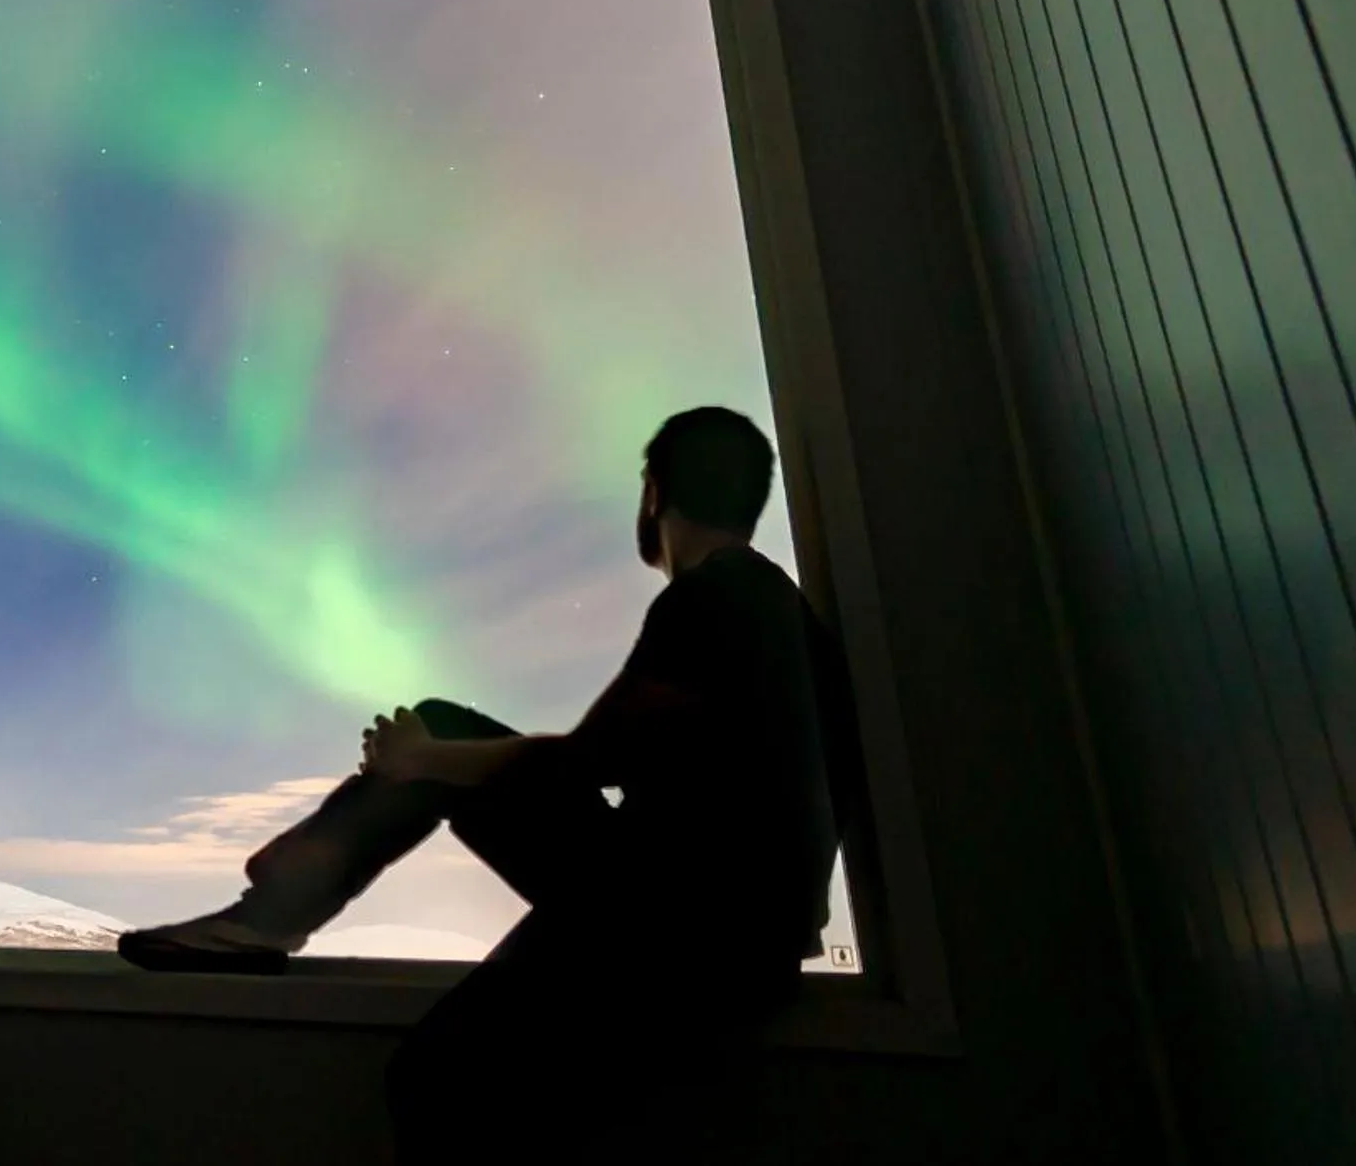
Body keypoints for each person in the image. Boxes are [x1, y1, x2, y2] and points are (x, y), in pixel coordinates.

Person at [117, 406, 858, 1159]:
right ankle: (271, 910)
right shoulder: (777, 608)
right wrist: (432, 760)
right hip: (717, 923)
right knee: (443, 742)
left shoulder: (716, 596)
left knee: (437, 1085)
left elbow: (588, 759)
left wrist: (426, 761)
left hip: (675, 925)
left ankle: (265, 918)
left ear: (654, 493)